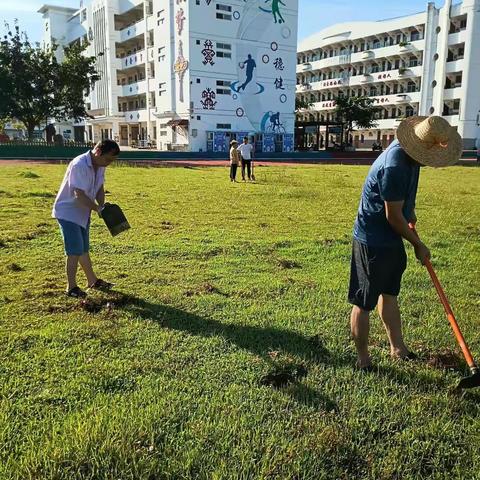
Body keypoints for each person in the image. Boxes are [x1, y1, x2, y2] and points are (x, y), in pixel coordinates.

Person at [348, 116, 462, 370]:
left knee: (389, 293)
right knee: (364, 300)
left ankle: (397, 348)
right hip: (372, 239)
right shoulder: (395, 166)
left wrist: (410, 213)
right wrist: (417, 244)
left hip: (392, 237)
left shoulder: (413, 158)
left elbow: (402, 208)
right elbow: (392, 217)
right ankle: (363, 358)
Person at [52, 139, 121, 298]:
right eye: (108, 159)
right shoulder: (80, 165)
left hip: (83, 212)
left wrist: (103, 205)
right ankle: (71, 287)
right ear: (98, 152)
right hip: (68, 213)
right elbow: (79, 195)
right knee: (74, 250)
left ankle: (92, 280)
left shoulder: (100, 165)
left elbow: (99, 187)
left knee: (83, 249)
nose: (109, 163)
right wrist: (97, 208)